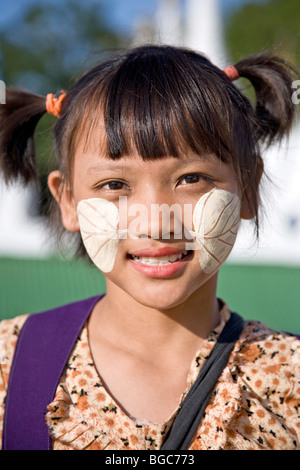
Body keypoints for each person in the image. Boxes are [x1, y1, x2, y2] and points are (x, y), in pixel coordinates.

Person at [0, 44, 299, 451]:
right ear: (68, 201)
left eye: (192, 178)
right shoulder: (10, 363)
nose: (156, 222)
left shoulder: (289, 376)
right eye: (114, 185)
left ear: (248, 188)